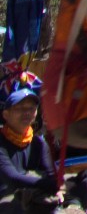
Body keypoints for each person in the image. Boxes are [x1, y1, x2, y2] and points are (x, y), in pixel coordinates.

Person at [0, 79, 57, 214]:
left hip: (33, 194)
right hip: (6, 197)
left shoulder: (38, 142)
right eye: (20, 108)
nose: (27, 113)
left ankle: (73, 204)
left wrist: (57, 188)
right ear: (6, 115)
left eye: (31, 108)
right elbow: (12, 178)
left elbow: (51, 174)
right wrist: (52, 185)